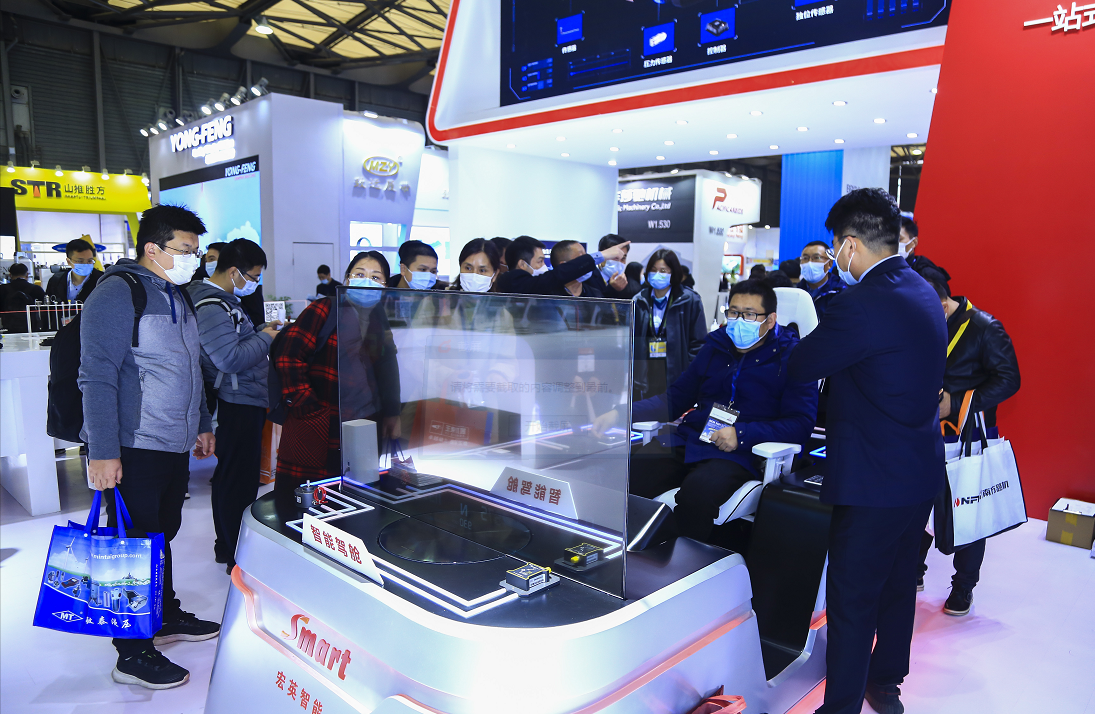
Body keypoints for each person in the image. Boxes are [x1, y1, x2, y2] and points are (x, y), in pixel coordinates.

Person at [787, 188, 946, 714]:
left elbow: (802, 365)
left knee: (852, 601)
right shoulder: (921, 288)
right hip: (918, 470)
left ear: (850, 245)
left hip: (873, 480)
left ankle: (840, 708)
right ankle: (886, 682)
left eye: (835, 246)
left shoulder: (859, 303)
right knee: (898, 586)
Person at [79, 204, 219, 690]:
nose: (194, 259)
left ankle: (163, 614)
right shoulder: (118, 292)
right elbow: (96, 374)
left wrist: (202, 422)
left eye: (197, 250)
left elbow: (190, 367)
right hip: (132, 443)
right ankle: (131, 652)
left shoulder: (177, 294)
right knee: (133, 544)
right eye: (186, 250)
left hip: (173, 442)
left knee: (160, 533)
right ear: (153, 249)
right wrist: (102, 451)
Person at [598, 279, 816, 543]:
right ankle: (627, 548)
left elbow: (800, 423)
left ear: (770, 320)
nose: (738, 321)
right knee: (630, 472)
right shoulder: (716, 347)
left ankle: (680, 561)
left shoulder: (794, 358)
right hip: (692, 439)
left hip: (741, 453)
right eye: (733, 312)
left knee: (698, 493)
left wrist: (742, 434)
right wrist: (621, 413)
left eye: (749, 315)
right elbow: (675, 398)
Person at [917, 278, 1020, 615]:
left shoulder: (984, 327)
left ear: (942, 304)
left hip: (968, 437)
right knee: (916, 505)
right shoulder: (923, 322)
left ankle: (963, 586)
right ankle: (913, 570)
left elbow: (1009, 379)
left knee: (968, 510)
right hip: (923, 432)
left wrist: (958, 403)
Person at [273, 251, 401, 511]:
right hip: (320, 421)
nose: (367, 281)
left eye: (376, 277)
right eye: (360, 274)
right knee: (308, 499)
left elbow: (388, 366)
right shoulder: (325, 309)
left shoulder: (379, 318)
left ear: (385, 286)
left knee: (355, 498)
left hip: (364, 423)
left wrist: (391, 412)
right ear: (347, 278)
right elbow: (288, 356)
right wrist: (308, 407)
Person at [187, 239, 282, 574]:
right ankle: (235, 554)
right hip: (235, 402)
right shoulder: (212, 306)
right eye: (252, 277)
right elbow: (229, 359)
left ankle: (228, 546)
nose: (254, 283)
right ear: (233, 272)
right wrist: (267, 338)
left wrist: (259, 332)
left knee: (233, 478)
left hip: (242, 398)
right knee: (237, 481)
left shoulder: (223, 302)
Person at [633, 249, 707, 401]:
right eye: (653, 270)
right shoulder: (639, 300)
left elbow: (698, 343)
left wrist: (690, 374)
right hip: (647, 373)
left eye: (663, 271)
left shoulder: (689, 300)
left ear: (673, 273)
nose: (657, 274)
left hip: (677, 373)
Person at [495, 235, 630, 296]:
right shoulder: (511, 282)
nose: (544, 266)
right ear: (522, 264)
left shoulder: (592, 292)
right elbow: (557, 275)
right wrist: (601, 255)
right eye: (540, 261)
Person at [900, 216, 951, 295]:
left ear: (914, 242)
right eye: (889, 239)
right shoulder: (886, 268)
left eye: (899, 239)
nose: (892, 244)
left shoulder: (929, 275)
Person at [798, 240, 847, 320]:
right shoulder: (797, 292)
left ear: (829, 263)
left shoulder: (841, 292)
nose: (810, 262)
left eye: (817, 258)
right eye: (805, 258)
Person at [45, 238, 102, 303]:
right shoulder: (56, 280)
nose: (86, 264)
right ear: (69, 261)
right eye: (80, 261)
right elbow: (48, 305)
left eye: (90, 261)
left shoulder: (102, 280)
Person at [0, 263, 46, 332]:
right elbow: (44, 310)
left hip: (8, 328)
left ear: (10, 275)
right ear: (27, 275)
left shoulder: (2, 289)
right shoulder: (37, 289)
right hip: (32, 327)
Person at [590, 234, 638, 299]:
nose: (619, 262)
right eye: (615, 257)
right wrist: (612, 288)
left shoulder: (624, 282)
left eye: (623, 258)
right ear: (602, 255)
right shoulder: (589, 277)